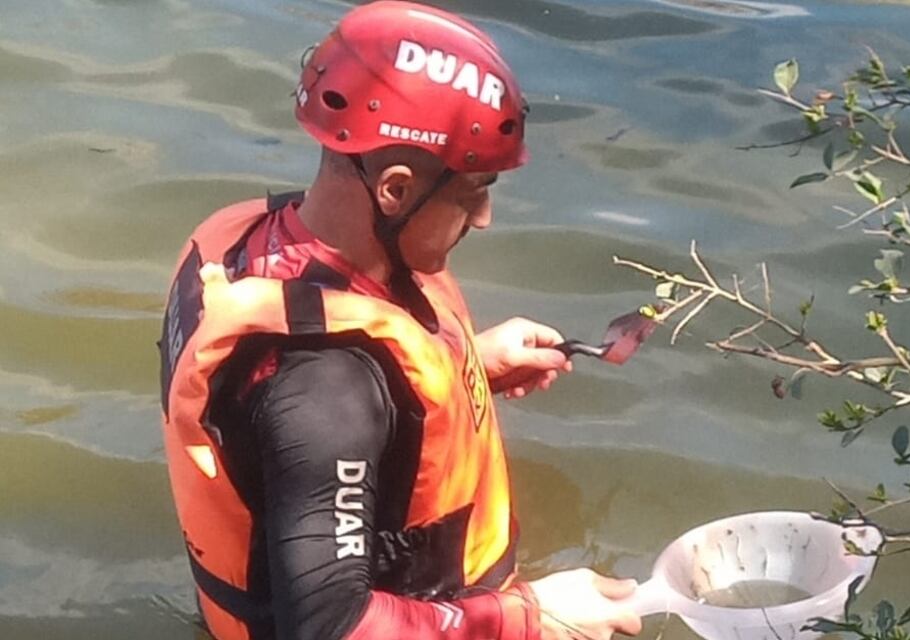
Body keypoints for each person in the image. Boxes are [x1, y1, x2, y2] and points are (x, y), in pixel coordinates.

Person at [159, 2, 643, 639]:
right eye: (473, 190)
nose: (486, 216)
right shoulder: (324, 391)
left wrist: (467, 360)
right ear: (393, 189)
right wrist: (531, 618)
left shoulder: (250, 243)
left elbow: (275, 427)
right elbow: (330, 628)